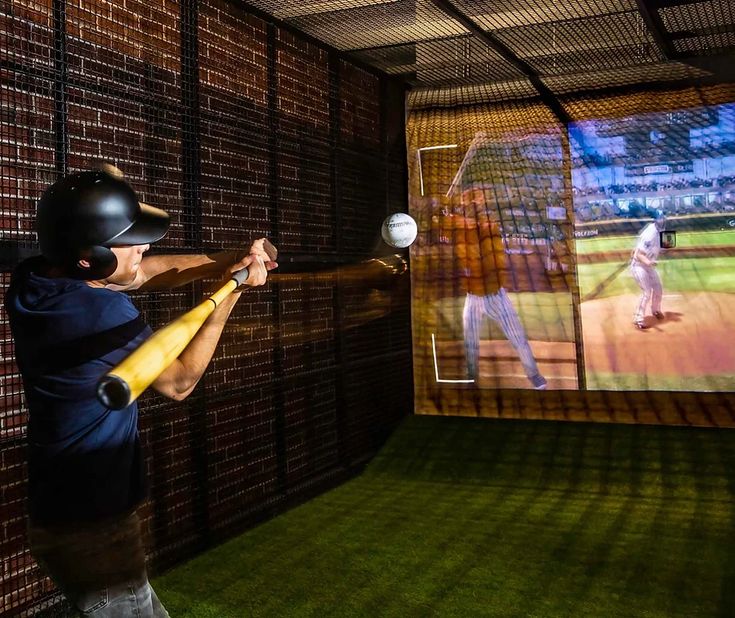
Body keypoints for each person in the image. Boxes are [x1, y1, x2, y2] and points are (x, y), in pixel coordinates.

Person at [5, 169, 277, 616]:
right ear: (91, 257)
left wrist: (229, 260)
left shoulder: (36, 278)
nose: (144, 246)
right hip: (95, 528)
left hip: (63, 512)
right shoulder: (99, 312)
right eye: (128, 238)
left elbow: (145, 272)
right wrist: (232, 292)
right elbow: (179, 381)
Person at [456, 190, 547, 390]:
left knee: (518, 338)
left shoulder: (488, 225)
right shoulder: (461, 229)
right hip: (472, 298)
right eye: (470, 205)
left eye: (474, 204)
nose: (471, 207)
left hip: (495, 295)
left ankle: (534, 375)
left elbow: (477, 226)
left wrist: (451, 213)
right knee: (470, 342)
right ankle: (471, 378)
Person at [630, 212, 666, 330]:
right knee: (646, 292)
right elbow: (639, 254)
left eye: (664, 219)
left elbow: (658, 248)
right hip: (639, 266)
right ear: (656, 221)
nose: (663, 221)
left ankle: (655, 310)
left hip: (648, 266)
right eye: (661, 220)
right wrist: (649, 262)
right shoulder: (649, 233)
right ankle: (638, 319)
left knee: (658, 289)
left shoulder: (660, 232)